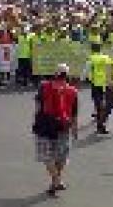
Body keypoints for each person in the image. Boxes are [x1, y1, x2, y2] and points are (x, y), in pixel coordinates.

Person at [33, 63, 79, 197]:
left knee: (46, 156)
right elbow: (74, 113)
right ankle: (56, 181)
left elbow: (38, 106)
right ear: (67, 75)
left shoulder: (44, 86)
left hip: (45, 125)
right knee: (61, 156)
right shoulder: (73, 91)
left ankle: (56, 180)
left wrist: (36, 121)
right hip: (64, 126)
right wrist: (75, 130)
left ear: (55, 74)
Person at [86, 43, 110, 126]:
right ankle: (99, 113)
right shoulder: (106, 57)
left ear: (92, 49)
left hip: (95, 82)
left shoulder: (91, 58)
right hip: (105, 82)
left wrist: (81, 79)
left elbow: (87, 69)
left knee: (97, 99)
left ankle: (100, 113)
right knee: (102, 98)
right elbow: (110, 68)